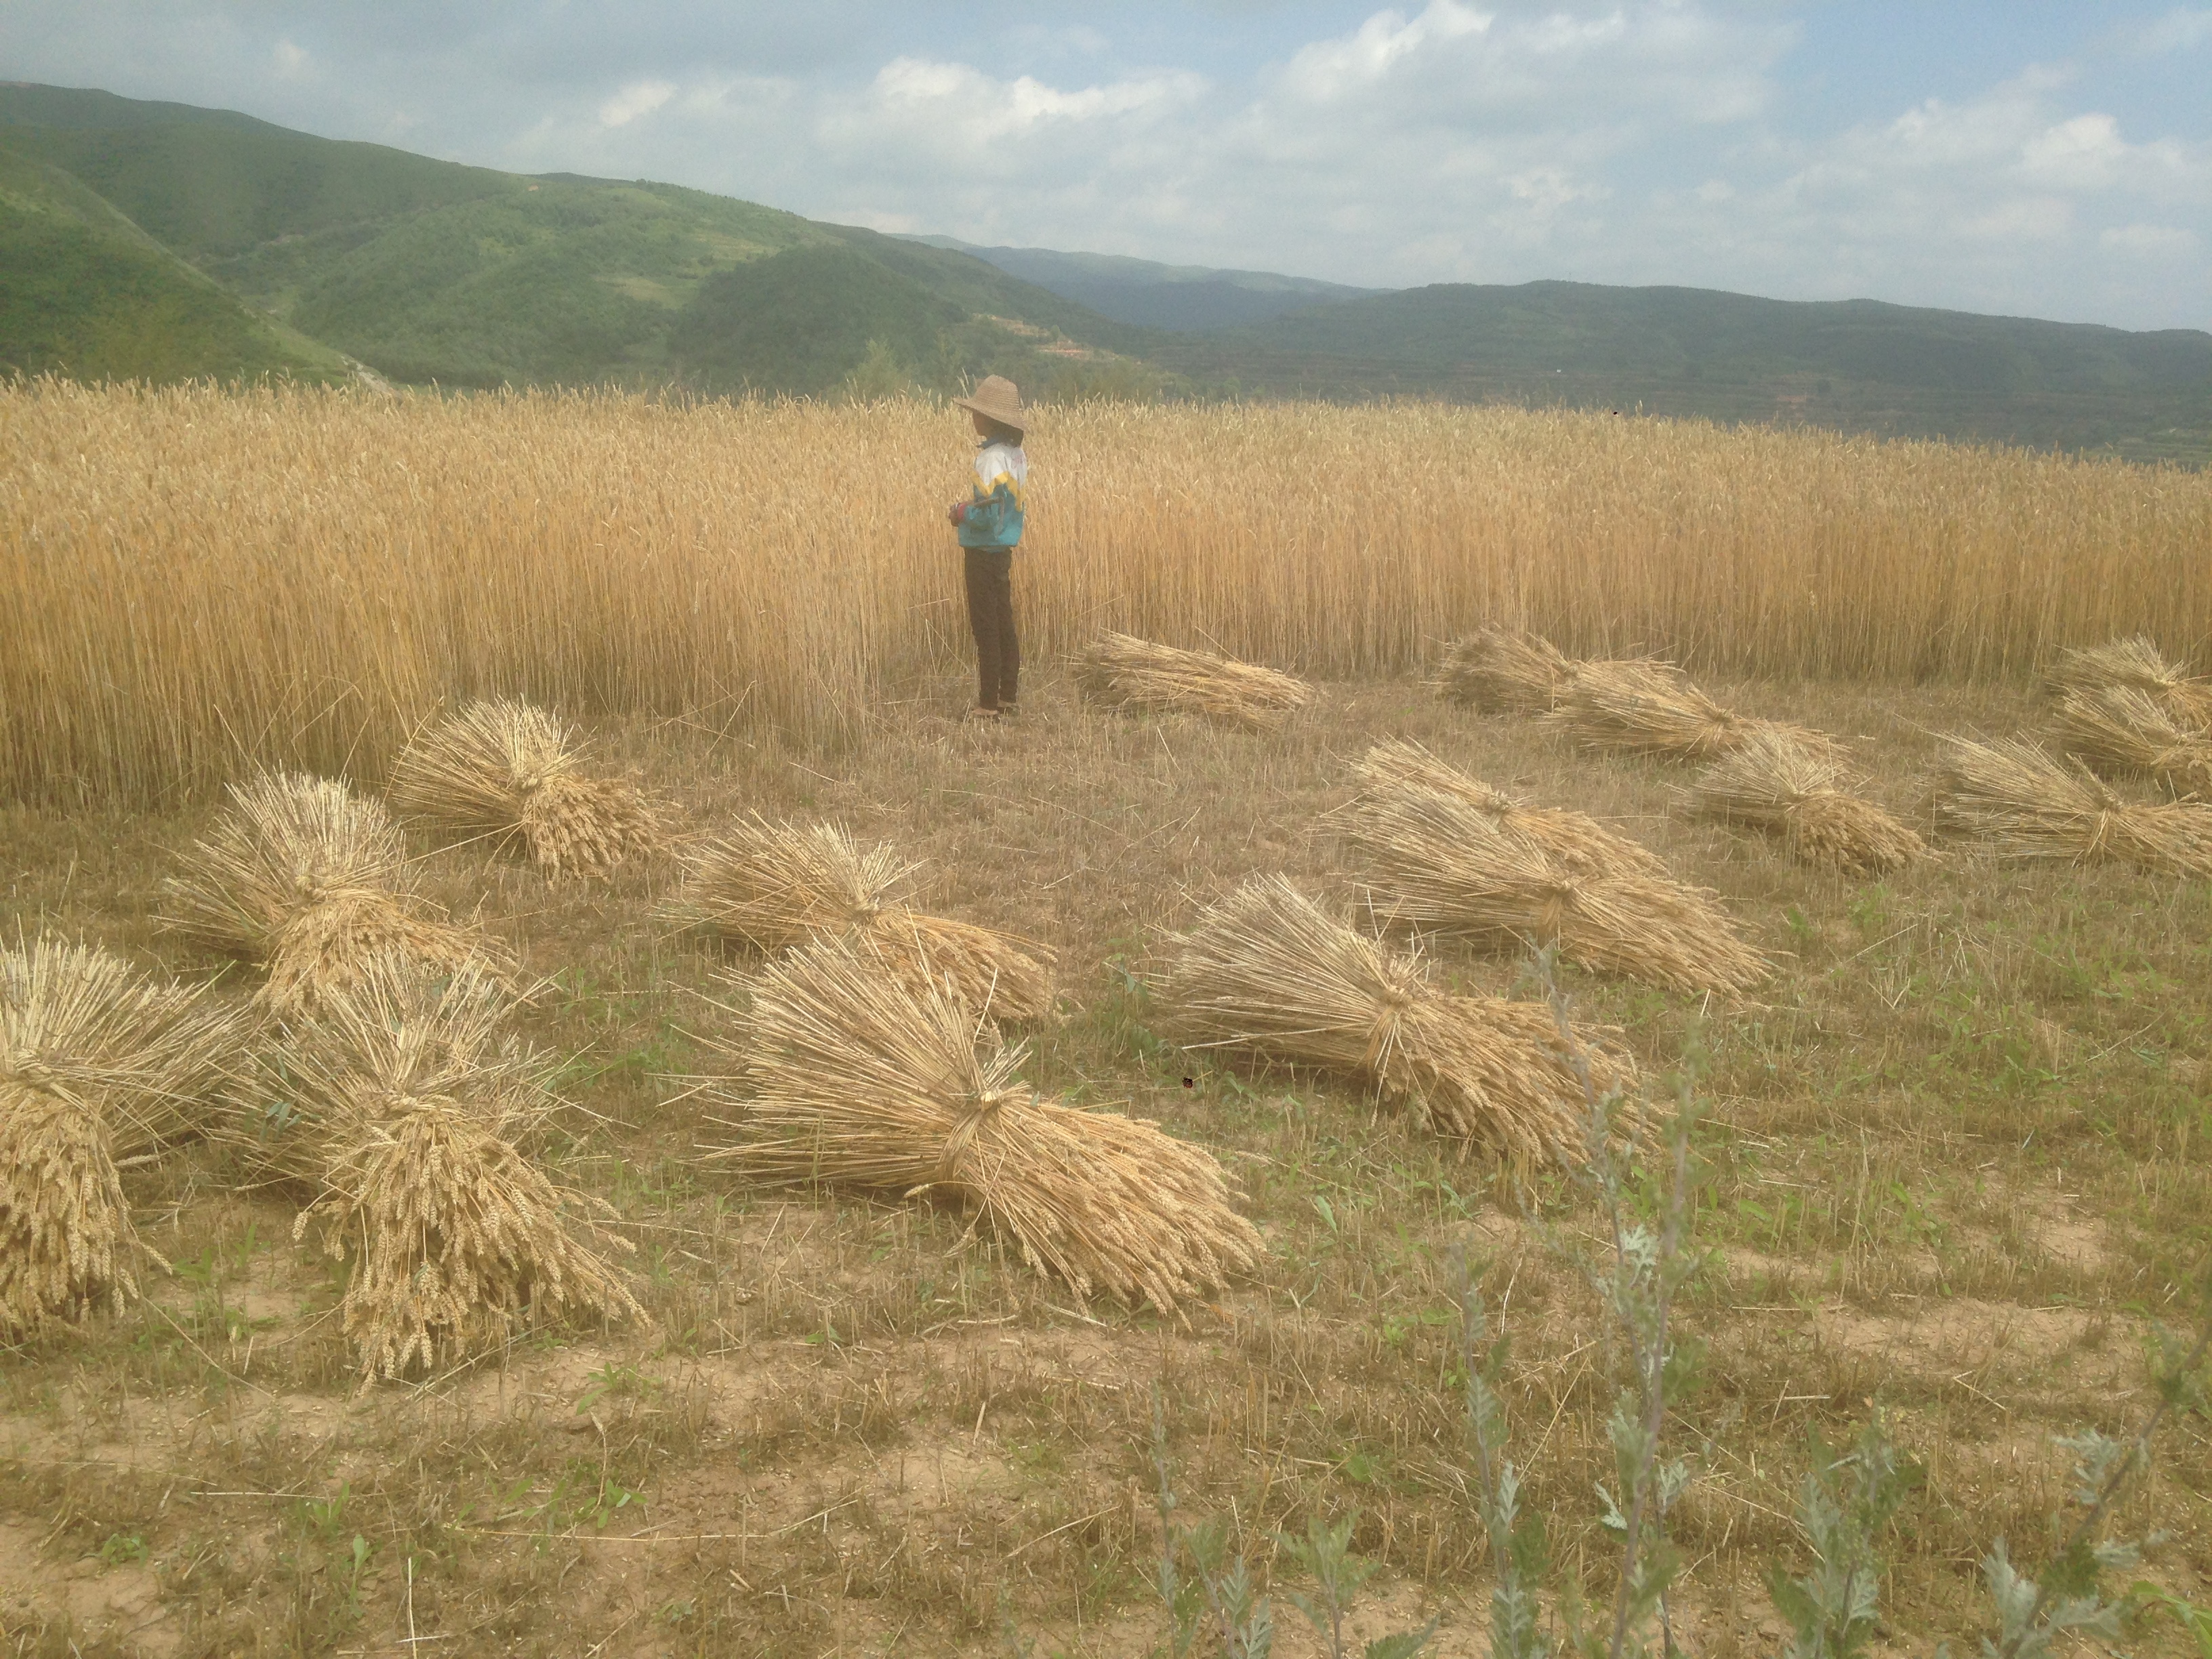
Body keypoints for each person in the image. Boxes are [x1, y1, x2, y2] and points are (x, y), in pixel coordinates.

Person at [945, 375, 1027, 718]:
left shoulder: (989, 459)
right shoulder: (1016, 455)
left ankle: (987, 703)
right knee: (1003, 620)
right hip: (1003, 550)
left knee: (985, 625)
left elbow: (987, 512)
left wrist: (959, 512)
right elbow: (1006, 507)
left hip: (981, 551)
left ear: (990, 418)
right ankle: (1008, 695)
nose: (973, 417)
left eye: (977, 412)